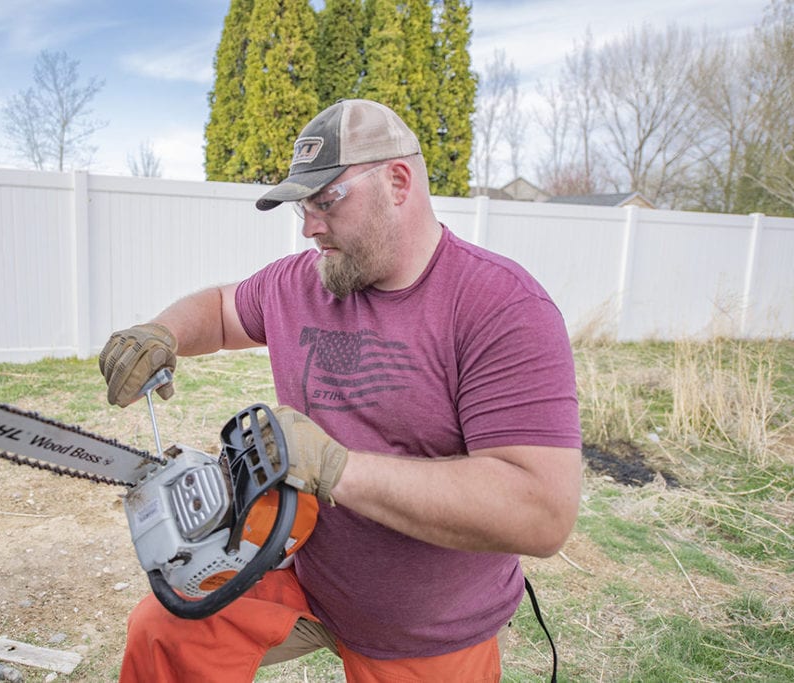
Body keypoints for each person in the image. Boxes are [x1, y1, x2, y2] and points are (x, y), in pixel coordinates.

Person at [99, 98, 582, 682]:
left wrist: (335, 468)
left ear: (398, 182)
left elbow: (541, 513)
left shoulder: (500, 306)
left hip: (427, 625)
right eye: (302, 206)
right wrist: (163, 332)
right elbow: (224, 308)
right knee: (165, 631)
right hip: (304, 574)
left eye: (326, 201)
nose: (309, 226)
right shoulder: (303, 281)